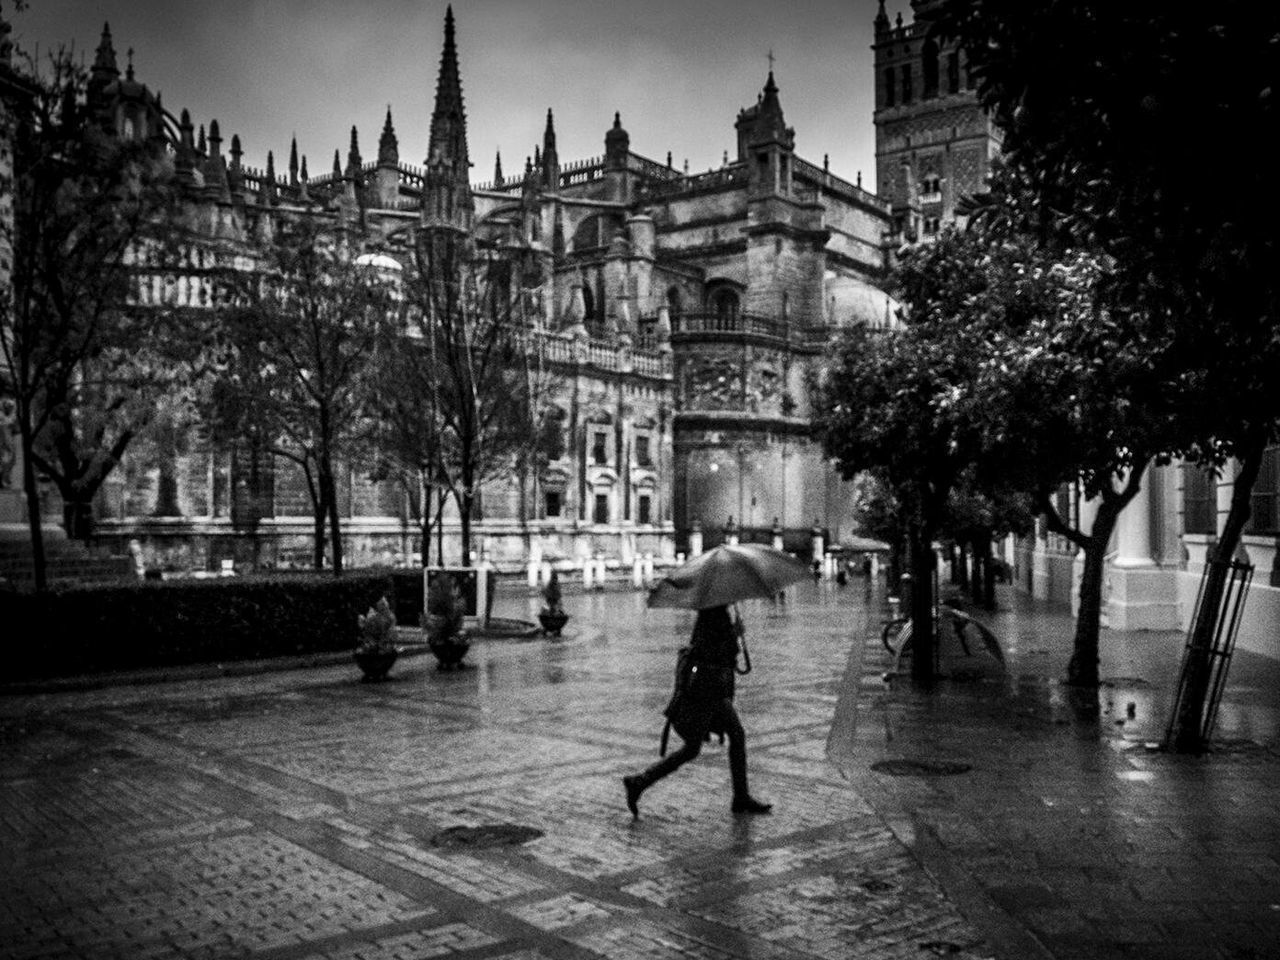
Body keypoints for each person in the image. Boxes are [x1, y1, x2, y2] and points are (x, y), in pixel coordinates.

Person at [622, 605, 771, 818]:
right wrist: (734, 634)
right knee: (694, 747)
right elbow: (709, 650)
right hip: (705, 691)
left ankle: (741, 796)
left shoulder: (717, 612)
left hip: (713, 691)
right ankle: (639, 782)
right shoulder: (712, 614)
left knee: (736, 735)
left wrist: (733, 636)